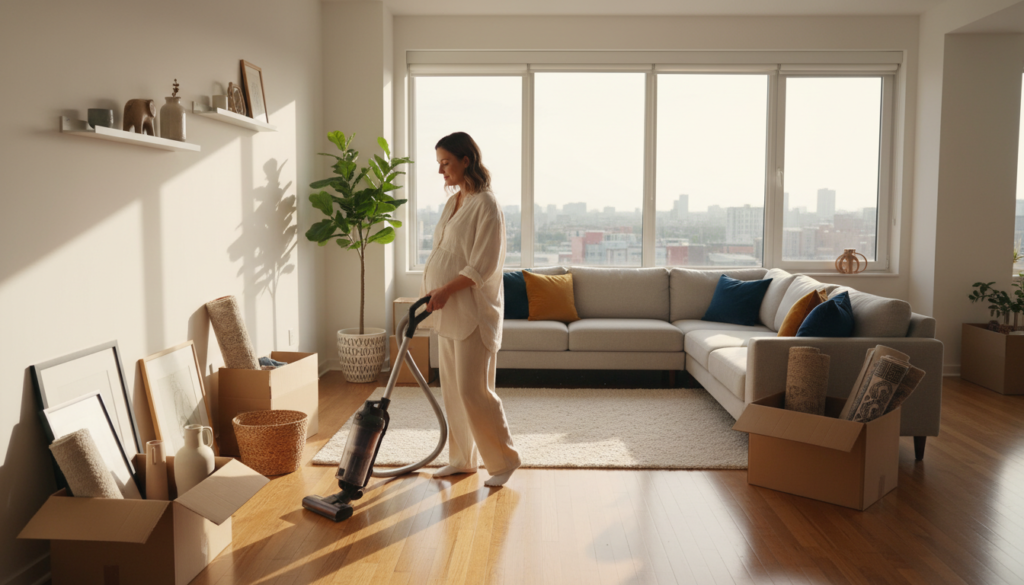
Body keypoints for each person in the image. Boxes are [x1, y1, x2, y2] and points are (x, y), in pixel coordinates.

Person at [422, 131, 521, 487]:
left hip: (473, 312)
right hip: (447, 312)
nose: (440, 171)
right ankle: (463, 459)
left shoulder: (486, 205)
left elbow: (483, 264)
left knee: (473, 389)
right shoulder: (453, 203)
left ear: (466, 160)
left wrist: (447, 289)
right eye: (439, 164)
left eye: (445, 163)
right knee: (452, 388)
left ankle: (504, 461)